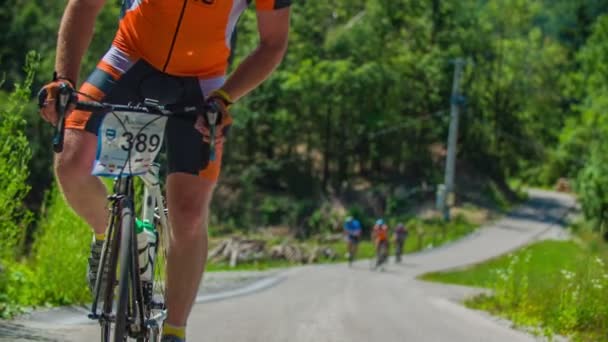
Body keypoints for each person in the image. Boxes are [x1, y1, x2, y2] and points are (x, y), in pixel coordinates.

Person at [38, 1, 291, 341]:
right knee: (70, 164)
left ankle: (174, 331)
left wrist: (225, 98)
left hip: (203, 82)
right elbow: (85, 4)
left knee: (188, 214)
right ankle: (110, 235)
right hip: (130, 57)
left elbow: (273, 43)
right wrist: (64, 79)